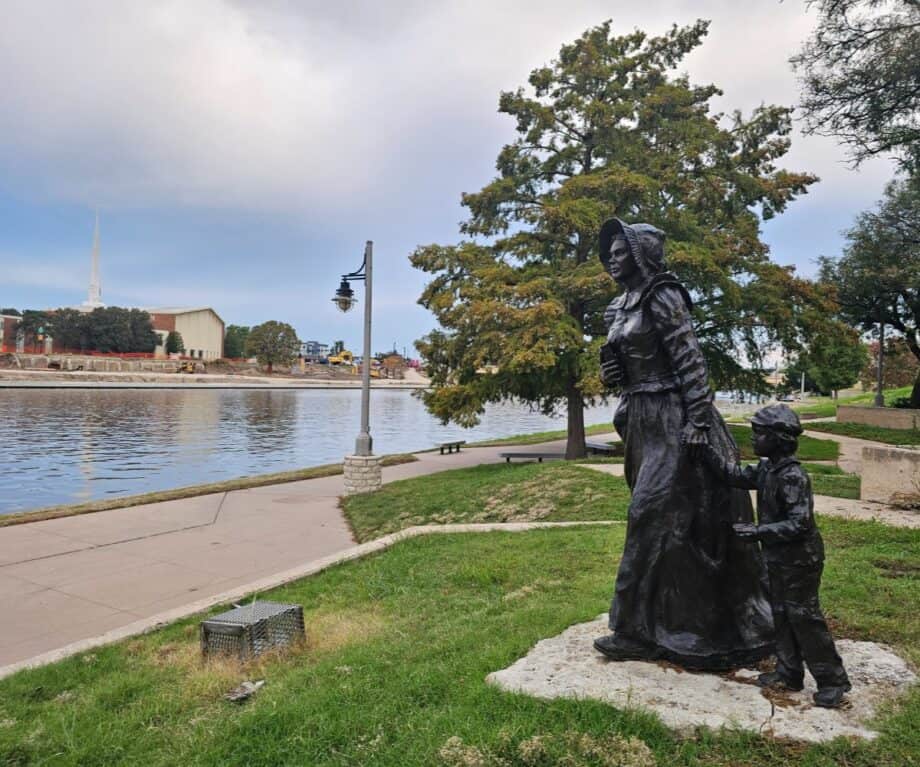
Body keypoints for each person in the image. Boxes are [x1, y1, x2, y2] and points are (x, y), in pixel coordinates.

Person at [593, 217, 774, 670]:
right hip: (641, 420)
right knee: (672, 528)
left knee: (647, 516)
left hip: (674, 418)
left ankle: (633, 630)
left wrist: (697, 421)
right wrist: (613, 373)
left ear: (642, 256)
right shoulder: (617, 307)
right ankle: (668, 622)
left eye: (621, 252)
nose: (612, 259)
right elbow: (624, 369)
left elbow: (690, 361)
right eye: (610, 253)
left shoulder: (663, 295)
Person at [704, 404, 851, 708]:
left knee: (805, 617)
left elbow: (800, 524)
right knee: (781, 614)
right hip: (777, 556)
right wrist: (704, 448)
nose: (753, 439)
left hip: (800, 560)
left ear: (778, 439)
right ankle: (789, 672)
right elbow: (732, 474)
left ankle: (833, 681)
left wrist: (759, 531)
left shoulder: (793, 476)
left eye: (759, 433)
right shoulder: (766, 470)